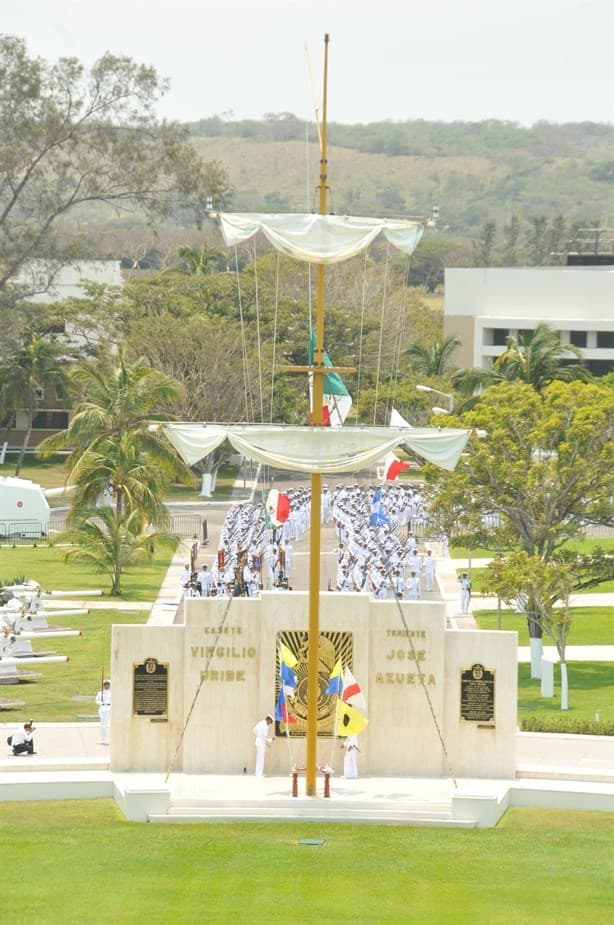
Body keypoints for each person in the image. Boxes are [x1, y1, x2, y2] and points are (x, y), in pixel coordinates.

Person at [95, 679, 112, 744]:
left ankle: (108, 738)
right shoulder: (100, 693)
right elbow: (96, 701)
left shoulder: (111, 693)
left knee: (107, 724)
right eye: (105, 684)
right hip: (102, 708)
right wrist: (101, 702)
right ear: (103, 685)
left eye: (108, 684)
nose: (106, 685)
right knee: (102, 724)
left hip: (109, 708)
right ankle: (103, 738)